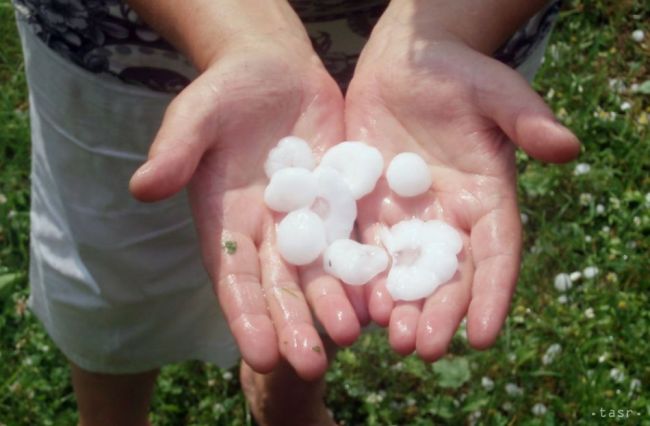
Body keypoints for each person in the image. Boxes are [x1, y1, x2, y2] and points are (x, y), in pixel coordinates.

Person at [13, 0, 580, 425]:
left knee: (321, 289)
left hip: (453, 50)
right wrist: (236, 30)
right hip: (129, 46)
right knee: (115, 271)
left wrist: (453, 24)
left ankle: (286, 394)